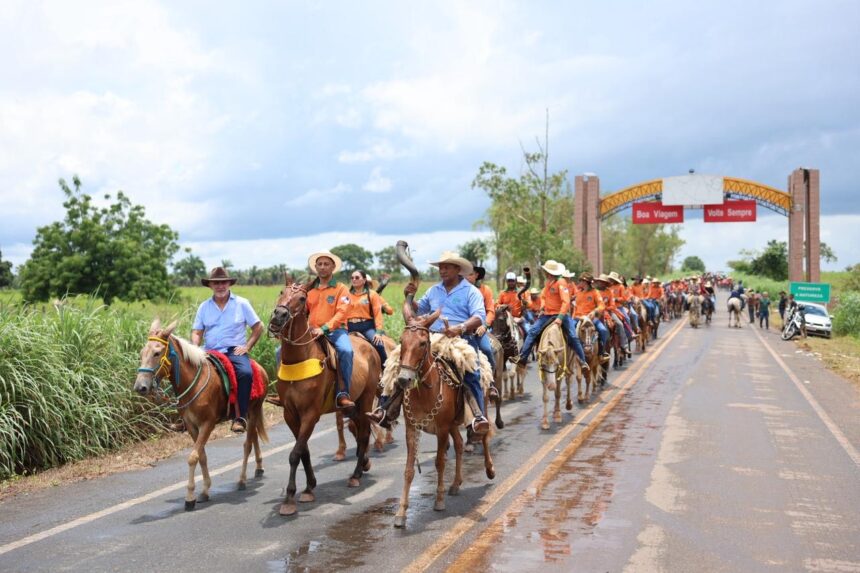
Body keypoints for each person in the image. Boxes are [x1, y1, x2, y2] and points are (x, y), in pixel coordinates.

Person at [368, 251, 491, 434]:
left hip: (459, 338)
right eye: (440, 267)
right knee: (396, 362)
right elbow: (419, 309)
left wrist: (460, 328)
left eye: (447, 267)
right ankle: (386, 409)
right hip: (432, 337)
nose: (442, 270)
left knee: (471, 369)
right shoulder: (434, 290)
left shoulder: (470, 291)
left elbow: (479, 316)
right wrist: (409, 297)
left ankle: (478, 416)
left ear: (458, 269)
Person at [192, 267, 264, 433]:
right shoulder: (204, 307)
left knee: (245, 373)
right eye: (216, 283)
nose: (220, 286)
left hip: (234, 350)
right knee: (186, 371)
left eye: (223, 282)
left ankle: (240, 417)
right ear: (210, 285)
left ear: (229, 283)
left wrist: (247, 346)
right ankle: (187, 416)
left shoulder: (241, 303)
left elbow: (258, 326)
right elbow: (197, 331)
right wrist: (194, 347)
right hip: (209, 351)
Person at [513, 260, 589, 368]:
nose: (544, 273)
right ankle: (523, 357)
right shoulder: (548, 282)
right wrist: (543, 306)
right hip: (547, 314)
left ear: (549, 272)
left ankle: (582, 361)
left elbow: (566, 301)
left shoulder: (561, 282)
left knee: (572, 336)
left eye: (545, 271)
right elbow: (543, 297)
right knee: (532, 331)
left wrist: (560, 317)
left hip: (560, 315)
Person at [305, 251, 356, 411]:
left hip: (336, 331)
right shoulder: (310, 290)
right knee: (280, 351)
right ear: (315, 267)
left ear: (333, 267)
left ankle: (343, 393)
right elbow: (303, 312)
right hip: (311, 332)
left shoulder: (341, 289)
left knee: (346, 351)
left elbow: (342, 312)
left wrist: (325, 328)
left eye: (326, 264)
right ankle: (284, 390)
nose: (322, 267)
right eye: (319, 264)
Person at [466, 266, 499, 399]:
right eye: (465, 274)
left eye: (470, 274)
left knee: (487, 349)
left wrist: (485, 325)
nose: (466, 277)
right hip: (461, 328)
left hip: (478, 328)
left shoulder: (485, 290)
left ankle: (491, 383)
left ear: (476, 275)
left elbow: (490, 310)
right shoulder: (460, 289)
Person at [346, 270, 388, 367]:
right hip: (349, 326)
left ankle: (385, 369)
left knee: (379, 345)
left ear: (364, 280)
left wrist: (378, 332)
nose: (354, 280)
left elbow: (378, 314)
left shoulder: (372, 294)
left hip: (366, 326)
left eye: (357, 278)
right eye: (352, 278)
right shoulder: (346, 295)